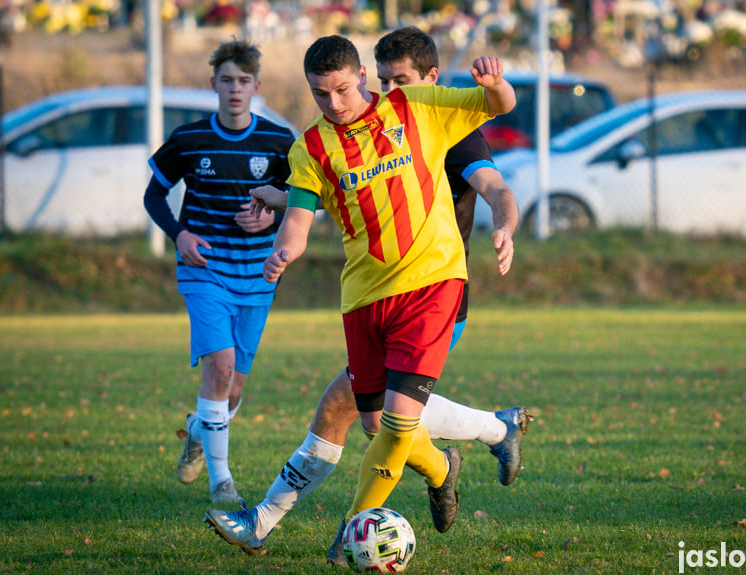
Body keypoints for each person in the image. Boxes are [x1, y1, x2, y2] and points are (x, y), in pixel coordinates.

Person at [206, 33, 516, 562]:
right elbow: (299, 219)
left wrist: (497, 84)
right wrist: (283, 252)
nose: (334, 104)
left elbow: (498, 108)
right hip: (365, 300)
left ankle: (345, 532)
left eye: (343, 90)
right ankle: (456, 459)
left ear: (363, 80)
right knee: (375, 423)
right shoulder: (311, 147)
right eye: (320, 94)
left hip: (433, 283)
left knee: (394, 423)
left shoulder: (416, 106)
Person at [143, 39, 294, 505]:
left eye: (243, 81)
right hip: (204, 269)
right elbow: (153, 196)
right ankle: (222, 483)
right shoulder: (189, 140)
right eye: (226, 80)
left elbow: (306, 202)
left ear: (256, 87)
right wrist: (180, 236)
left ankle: (196, 429)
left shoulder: (279, 142)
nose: (234, 89)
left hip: (259, 276)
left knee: (232, 392)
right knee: (221, 368)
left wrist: (272, 216)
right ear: (213, 84)